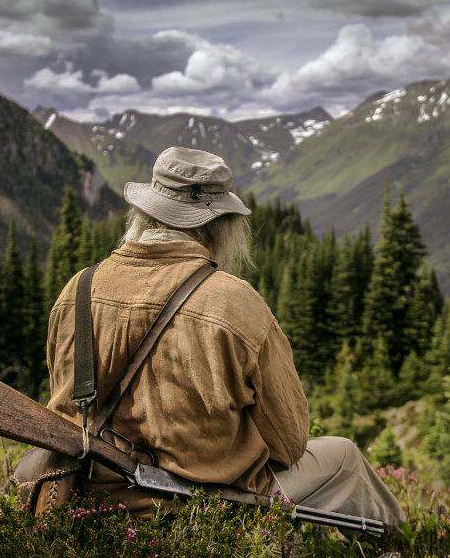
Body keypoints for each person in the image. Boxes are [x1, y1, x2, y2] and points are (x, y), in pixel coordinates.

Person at [45, 146, 405, 533]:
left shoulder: (77, 290)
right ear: (215, 225)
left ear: (146, 213)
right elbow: (288, 443)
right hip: (200, 511)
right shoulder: (233, 302)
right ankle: (402, 544)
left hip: (90, 508)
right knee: (345, 457)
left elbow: (65, 407)